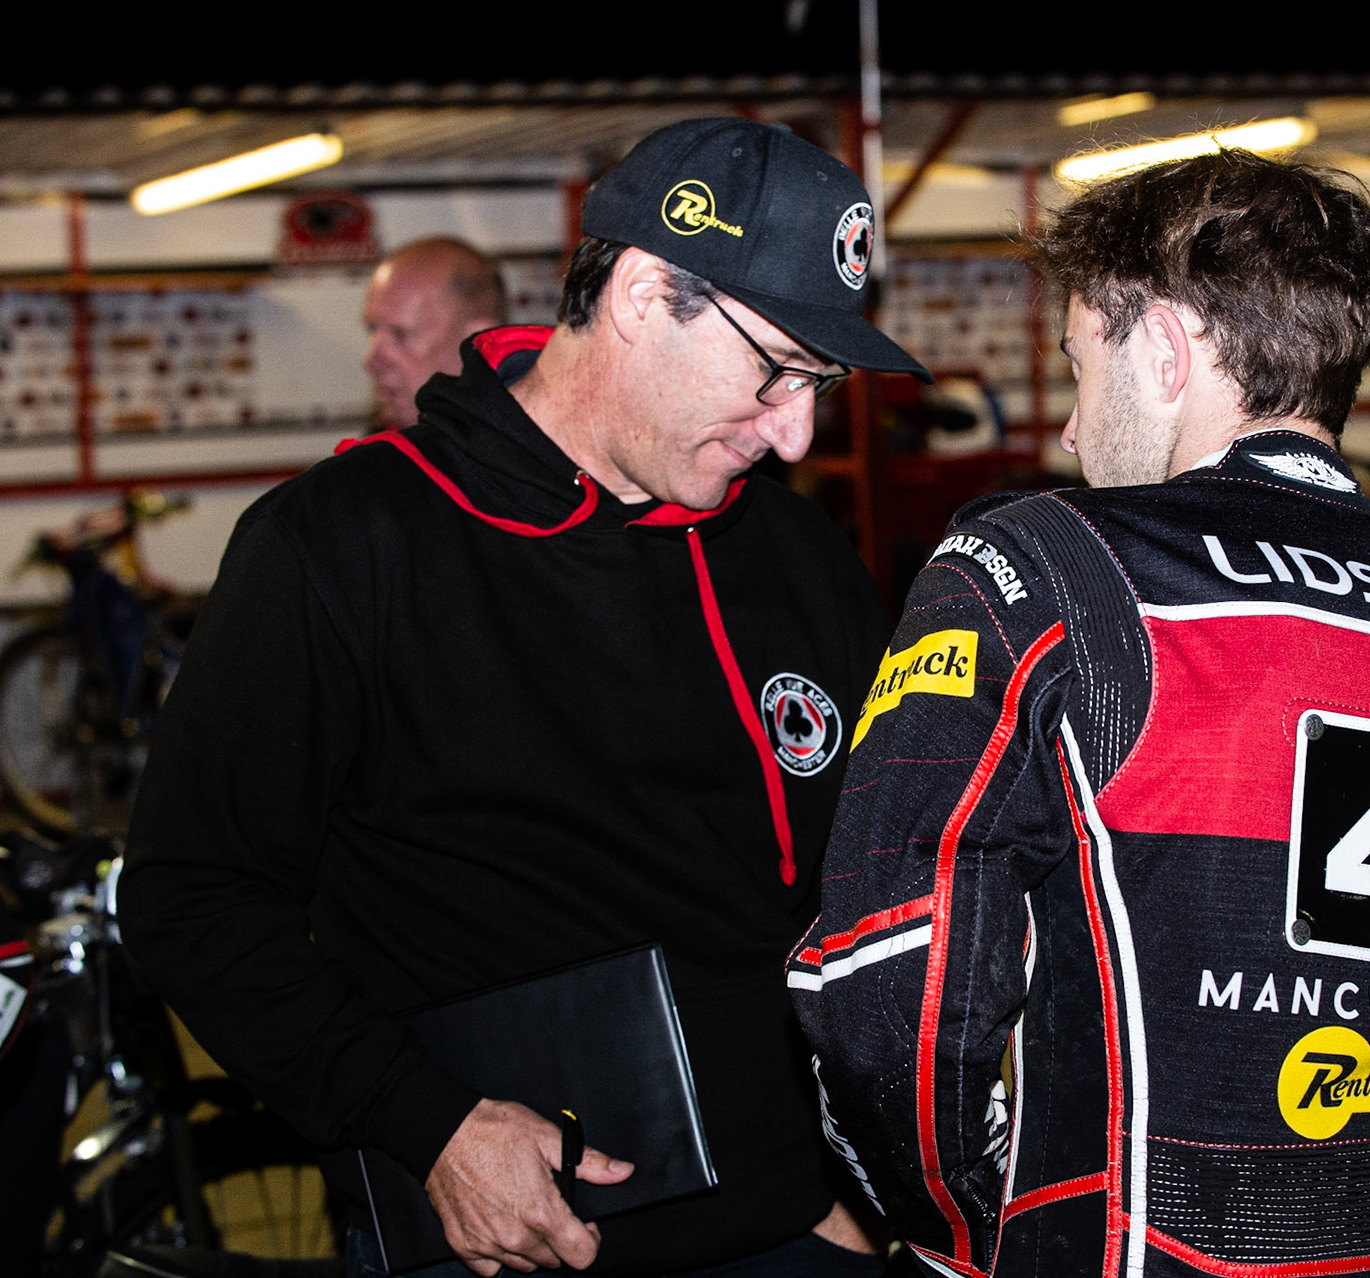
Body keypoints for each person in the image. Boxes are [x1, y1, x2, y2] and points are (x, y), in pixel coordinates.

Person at [789, 150, 1370, 1278]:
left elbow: (882, 985)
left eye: (1080, 369)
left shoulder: (1041, 574)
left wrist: (971, 1230)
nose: (1070, 435)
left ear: (1165, 349)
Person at [120, 118, 929, 1278]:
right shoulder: (346, 546)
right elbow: (191, 898)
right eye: (777, 372)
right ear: (649, 295)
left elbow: (865, 906)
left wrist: (846, 1186)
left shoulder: (795, 558)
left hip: (787, 1227)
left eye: (821, 384)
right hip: (498, 1239)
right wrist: (427, 1122)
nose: (796, 433)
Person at [364, 237, 507, 427]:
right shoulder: (382, 444)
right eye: (372, 330)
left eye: (401, 335)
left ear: (478, 344)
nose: (372, 362)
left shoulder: (520, 451)